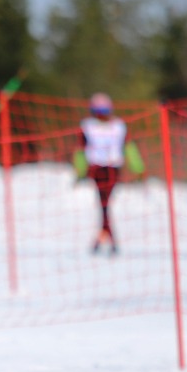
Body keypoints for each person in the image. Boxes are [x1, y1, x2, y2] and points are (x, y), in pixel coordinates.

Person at [75, 93, 142, 255]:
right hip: (97, 169)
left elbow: (128, 147)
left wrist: (138, 167)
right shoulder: (88, 126)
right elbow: (81, 151)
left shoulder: (118, 127)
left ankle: (104, 239)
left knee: (104, 204)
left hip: (111, 169)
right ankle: (108, 240)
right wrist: (80, 170)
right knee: (104, 204)